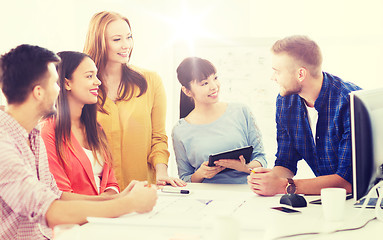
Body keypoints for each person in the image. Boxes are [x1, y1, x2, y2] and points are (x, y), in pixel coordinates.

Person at [0, 44, 157, 240]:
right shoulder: (3, 145)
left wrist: (121, 196)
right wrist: (129, 204)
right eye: (56, 83)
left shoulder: (32, 136)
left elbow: (55, 195)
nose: (59, 90)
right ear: (38, 92)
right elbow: (51, 210)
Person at [248, 35, 361, 196]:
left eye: (277, 71)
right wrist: (267, 179)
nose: (272, 77)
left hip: (361, 203)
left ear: (300, 74)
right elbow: (286, 161)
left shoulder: (350, 102)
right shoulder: (285, 101)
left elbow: (347, 181)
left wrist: (283, 186)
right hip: (326, 200)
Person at [83, 11, 186, 189]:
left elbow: (158, 137)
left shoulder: (151, 81)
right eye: (117, 40)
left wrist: (162, 173)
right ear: (99, 42)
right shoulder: (83, 86)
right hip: (98, 195)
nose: (126, 45)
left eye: (129, 37)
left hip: (142, 190)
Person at [172, 57, 267, 184]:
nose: (214, 86)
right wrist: (200, 174)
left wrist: (244, 167)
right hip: (206, 199)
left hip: (246, 193)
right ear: (187, 91)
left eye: (215, 78)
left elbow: (261, 158)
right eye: (204, 83)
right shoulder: (180, 130)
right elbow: (184, 179)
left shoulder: (241, 111)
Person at [41, 51, 119, 196]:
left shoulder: (96, 129)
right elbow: (60, 195)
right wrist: (108, 204)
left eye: (96, 75)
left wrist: (110, 203)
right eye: (89, 76)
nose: (98, 82)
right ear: (67, 83)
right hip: (75, 217)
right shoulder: (47, 132)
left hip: (105, 216)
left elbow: (111, 183)